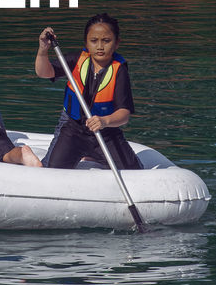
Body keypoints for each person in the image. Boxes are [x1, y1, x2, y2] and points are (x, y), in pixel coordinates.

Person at [35, 13, 142, 170]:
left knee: (133, 171)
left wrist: (104, 121)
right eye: (94, 41)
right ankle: (83, 152)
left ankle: (92, 153)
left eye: (106, 41)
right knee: (52, 169)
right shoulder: (76, 59)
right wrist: (43, 50)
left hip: (106, 132)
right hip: (73, 129)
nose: (100, 46)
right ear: (86, 42)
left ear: (117, 43)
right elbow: (44, 72)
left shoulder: (120, 70)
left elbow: (124, 114)